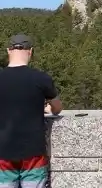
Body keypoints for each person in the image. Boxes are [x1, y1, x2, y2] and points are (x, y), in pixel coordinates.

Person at [0, 34, 63, 188]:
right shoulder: (41, 78)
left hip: (3, 154)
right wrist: (48, 108)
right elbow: (57, 108)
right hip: (33, 154)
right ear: (30, 51)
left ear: (8, 50)